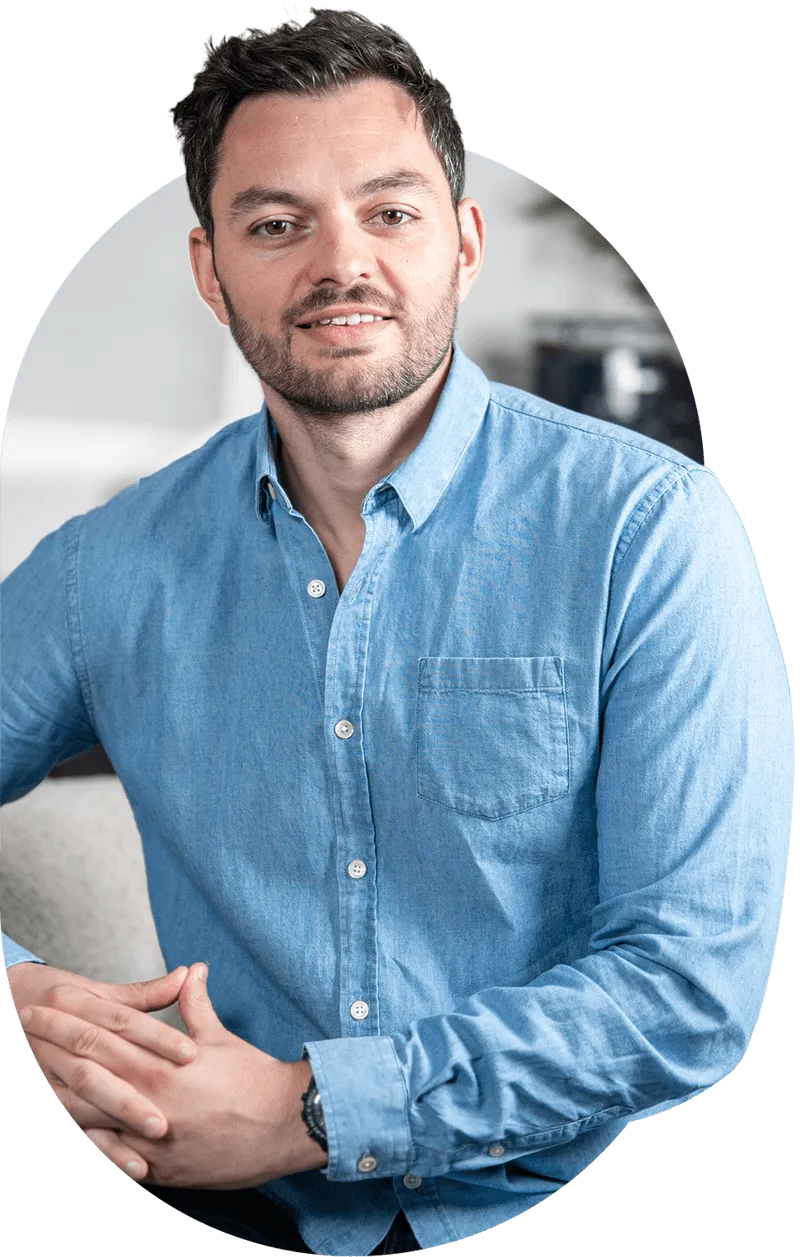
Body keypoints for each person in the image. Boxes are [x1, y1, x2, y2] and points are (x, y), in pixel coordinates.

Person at [1, 9, 792, 1257]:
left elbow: (689, 988)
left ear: (463, 243)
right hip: (224, 1216)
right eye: (276, 224)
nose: (340, 263)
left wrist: (309, 1109)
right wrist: (25, 1000)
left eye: (389, 211)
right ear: (211, 273)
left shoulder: (650, 530)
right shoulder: (112, 567)